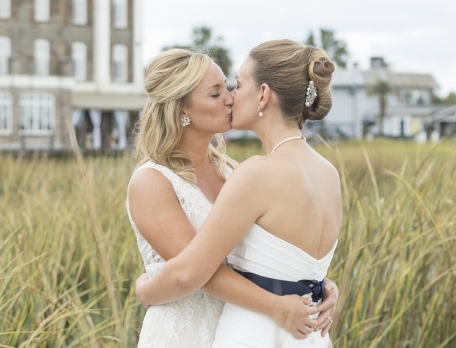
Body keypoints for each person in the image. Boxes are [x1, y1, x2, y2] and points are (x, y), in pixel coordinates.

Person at [127, 47, 339, 347]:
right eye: (216, 94)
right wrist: (282, 300)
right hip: (187, 331)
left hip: (245, 328)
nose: (229, 98)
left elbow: (264, 256)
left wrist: (313, 284)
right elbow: (195, 272)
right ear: (181, 109)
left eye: (232, 87)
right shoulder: (152, 181)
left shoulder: (234, 171)